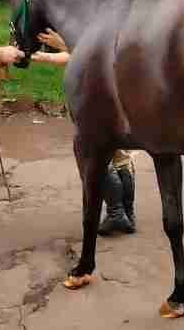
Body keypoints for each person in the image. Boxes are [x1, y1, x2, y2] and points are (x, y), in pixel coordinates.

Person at [31, 29, 137, 237]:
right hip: (116, 93)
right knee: (120, 157)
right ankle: (127, 215)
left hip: (98, 94)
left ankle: (117, 213)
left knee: (98, 157)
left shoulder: (90, 21)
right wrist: (48, 54)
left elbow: (86, 52)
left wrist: (57, 46)